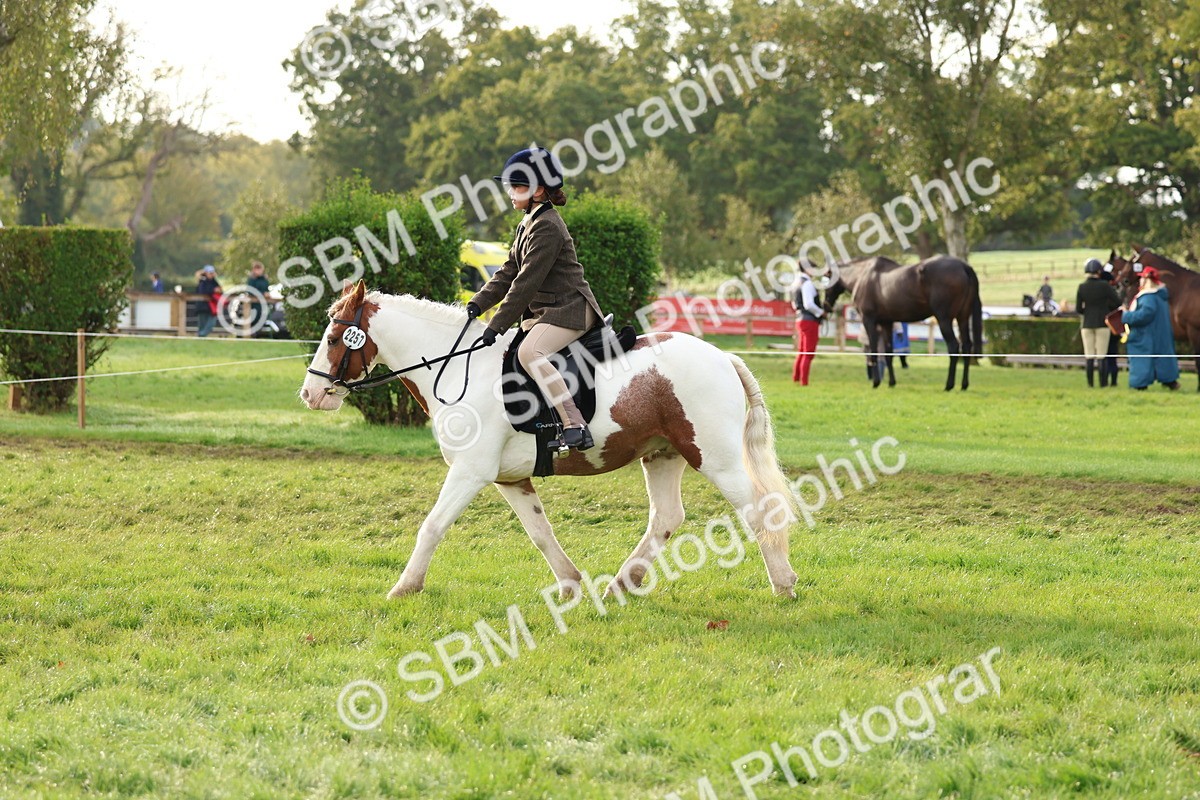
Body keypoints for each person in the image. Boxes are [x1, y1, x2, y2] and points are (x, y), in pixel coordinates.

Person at [467, 146, 605, 452]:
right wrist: (478, 304)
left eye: (517, 187)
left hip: (571, 311)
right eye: (511, 187)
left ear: (539, 190)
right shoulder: (528, 221)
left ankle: (575, 425)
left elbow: (525, 283)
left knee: (531, 353)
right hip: (549, 313)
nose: (511, 194)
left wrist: (496, 325)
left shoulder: (548, 226)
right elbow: (509, 271)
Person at [1122, 266, 1180, 390]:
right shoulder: (1160, 296)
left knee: (1142, 360)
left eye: (1142, 278)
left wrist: (1126, 316)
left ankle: (1140, 384)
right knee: (1163, 359)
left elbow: (1144, 316)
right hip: (1158, 334)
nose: (1140, 280)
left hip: (1145, 335)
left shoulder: (1148, 298)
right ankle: (1170, 382)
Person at [1075, 258, 1121, 387]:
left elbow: (1078, 308)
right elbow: (1117, 301)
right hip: (1102, 323)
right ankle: (1103, 383)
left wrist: (1088, 312)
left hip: (1087, 324)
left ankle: (1090, 384)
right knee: (1102, 355)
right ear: (1098, 271)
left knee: (1089, 355)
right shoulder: (1104, 286)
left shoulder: (1082, 286)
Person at [791, 271, 823, 385]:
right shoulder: (808, 284)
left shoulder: (795, 283)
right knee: (808, 352)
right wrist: (821, 312)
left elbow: (794, 304)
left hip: (799, 319)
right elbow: (808, 304)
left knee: (801, 351)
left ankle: (796, 378)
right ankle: (804, 382)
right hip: (809, 320)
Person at [1099, 261, 1121, 387]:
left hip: (1103, 327)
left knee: (1105, 355)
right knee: (1112, 356)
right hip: (1113, 329)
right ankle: (1113, 380)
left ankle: (1105, 380)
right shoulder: (1113, 294)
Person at [195, 265, 222, 337]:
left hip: (212, 306)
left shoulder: (214, 282)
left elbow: (220, 291)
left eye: (212, 272)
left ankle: (201, 335)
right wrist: (213, 290)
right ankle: (201, 337)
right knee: (202, 325)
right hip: (203, 306)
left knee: (211, 323)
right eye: (210, 273)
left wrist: (218, 290)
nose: (211, 274)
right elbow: (202, 292)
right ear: (206, 273)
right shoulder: (202, 282)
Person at [247, 260, 271, 334]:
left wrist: (267, 294)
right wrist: (262, 294)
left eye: (259, 269)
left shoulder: (265, 280)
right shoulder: (251, 280)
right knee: (254, 320)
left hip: (263, 304)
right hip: (254, 305)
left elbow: (267, 289)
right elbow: (250, 291)